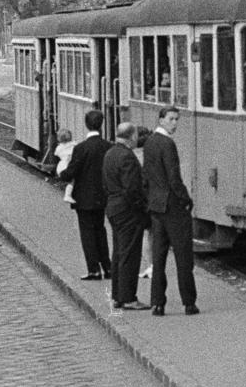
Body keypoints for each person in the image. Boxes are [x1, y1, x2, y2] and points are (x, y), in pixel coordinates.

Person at [143, 105, 198, 316]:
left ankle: (157, 302)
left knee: (159, 256)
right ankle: (189, 302)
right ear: (161, 119)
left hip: (156, 206)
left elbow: (147, 175)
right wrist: (186, 199)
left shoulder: (149, 142)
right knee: (183, 256)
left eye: (177, 119)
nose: (175, 123)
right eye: (171, 119)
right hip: (173, 206)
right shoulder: (168, 144)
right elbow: (174, 178)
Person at [59, 109, 113, 281]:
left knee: (87, 234)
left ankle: (93, 270)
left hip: (83, 198)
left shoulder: (81, 148)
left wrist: (61, 174)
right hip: (102, 197)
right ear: (101, 124)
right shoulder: (107, 147)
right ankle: (108, 267)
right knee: (101, 231)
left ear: (86, 124)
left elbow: (72, 171)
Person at [103, 121, 149, 310]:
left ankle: (117, 296)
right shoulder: (127, 157)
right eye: (136, 135)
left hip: (113, 207)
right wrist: (142, 208)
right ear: (131, 137)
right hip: (127, 211)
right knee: (130, 254)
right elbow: (132, 189)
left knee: (119, 253)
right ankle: (129, 298)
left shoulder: (110, 153)